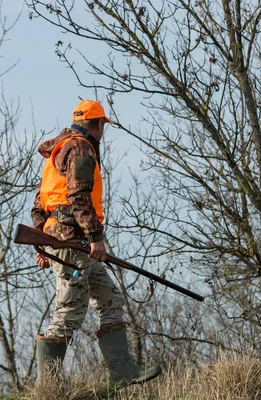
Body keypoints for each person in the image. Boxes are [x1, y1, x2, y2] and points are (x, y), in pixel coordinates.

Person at [30, 99, 162, 387]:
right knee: (69, 310)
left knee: (109, 298)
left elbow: (40, 203)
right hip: (75, 241)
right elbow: (78, 196)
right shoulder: (80, 148)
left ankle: (121, 371)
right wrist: (95, 238)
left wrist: (42, 244)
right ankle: (47, 388)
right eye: (104, 125)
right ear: (100, 124)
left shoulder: (59, 148)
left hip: (63, 240)